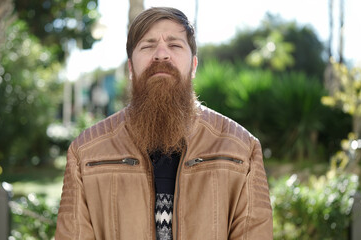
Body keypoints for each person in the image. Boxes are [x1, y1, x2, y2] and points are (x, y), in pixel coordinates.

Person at [55, 7, 273, 240]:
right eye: (148, 46)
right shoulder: (85, 152)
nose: (161, 54)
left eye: (175, 45)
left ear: (194, 66)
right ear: (130, 68)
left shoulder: (241, 149)